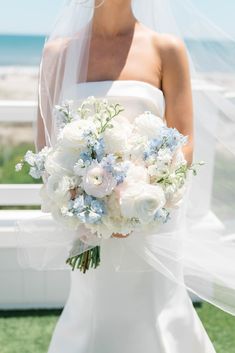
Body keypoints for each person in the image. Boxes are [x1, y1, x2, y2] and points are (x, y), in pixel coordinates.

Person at [17, 1, 235, 352]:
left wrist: (141, 196)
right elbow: (47, 146)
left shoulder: (166, 49)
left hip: (150, 218)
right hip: (88, 223)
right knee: (93, 311)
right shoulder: (58, 53)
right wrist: (85, 200)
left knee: (155, 312)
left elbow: (185, 140)